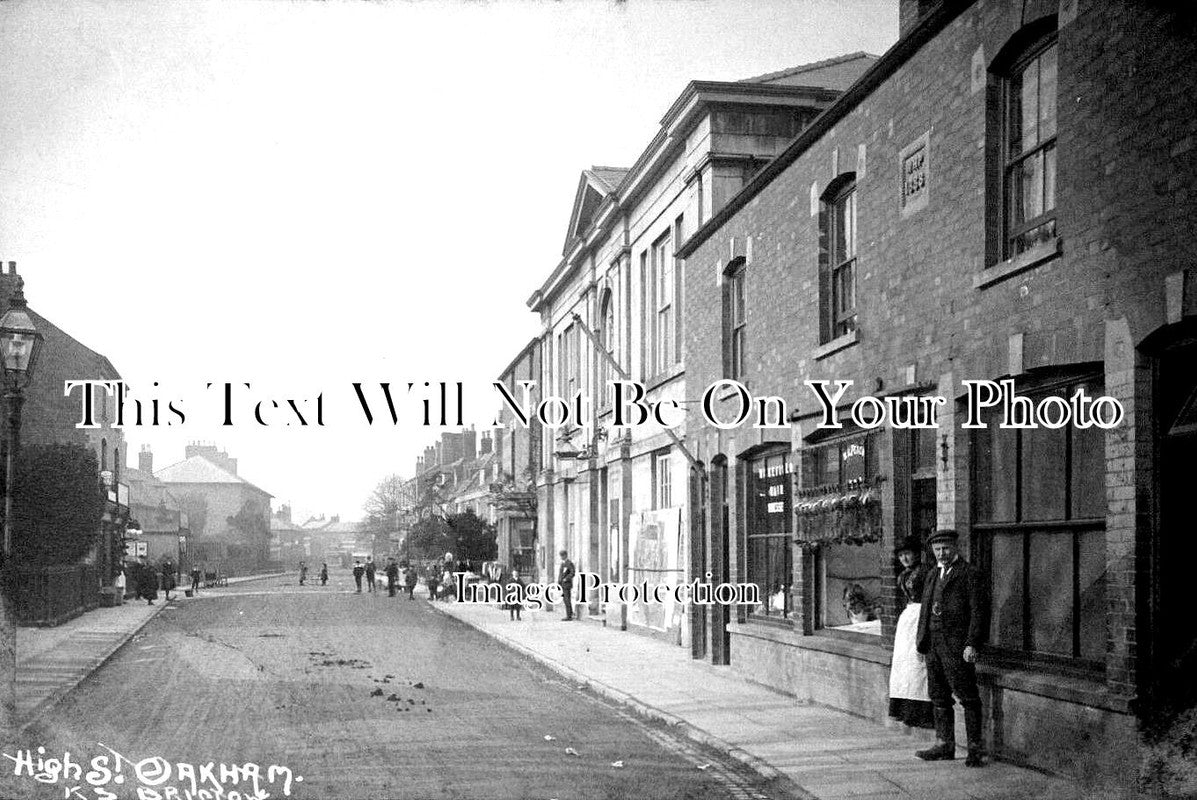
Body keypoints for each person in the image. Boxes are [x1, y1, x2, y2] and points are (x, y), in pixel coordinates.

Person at [915, 529, 988, 767]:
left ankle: (975, 748)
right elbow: (925, 609)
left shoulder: (970, 573)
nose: (942, 553)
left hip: (957, 647)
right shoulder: (931, 575)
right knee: (938, 696)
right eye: (937, 550)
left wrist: (972, 643)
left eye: (946, 548)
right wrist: (921, 641)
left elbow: (979, 612)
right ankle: (944, 744)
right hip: (934, 646)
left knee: (968, 696)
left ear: (955, 547)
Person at [888, 536, 933, 730]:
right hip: (908, 619)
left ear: (917, 553)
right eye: (901, 555)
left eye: (908, 554)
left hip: (922, 617)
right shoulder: (905, 574)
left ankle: (922, 712)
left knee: (918, 665)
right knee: (904, 665)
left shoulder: (926, 572)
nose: (905, 558)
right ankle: (906, 709)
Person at [557, 550, 576, 621]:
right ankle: (569, 614)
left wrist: (566, 579)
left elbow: (572, 572)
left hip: (567, 585)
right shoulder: (562, 564)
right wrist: (559, 582)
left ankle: (569, 616)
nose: (561, 557)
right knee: (565, 600)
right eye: (561, 556)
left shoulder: (569, 563)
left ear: (565, 555)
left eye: (562, 555)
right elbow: (560, 574)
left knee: (567, 600)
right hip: (562, 585)